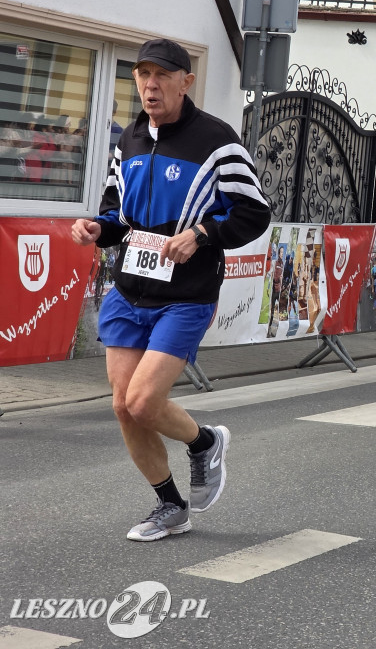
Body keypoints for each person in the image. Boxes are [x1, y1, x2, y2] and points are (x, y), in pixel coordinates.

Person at [70, 38, 271, 542]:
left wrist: (202, 234)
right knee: (122, 405)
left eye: (162, 76)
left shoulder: (217, 140)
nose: (150, 85)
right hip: (129, 290)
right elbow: (118, 213)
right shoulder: (130, 139)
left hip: (186, 295)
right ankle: (170, 505)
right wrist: (98, 228)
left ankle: (204, 443)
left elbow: (254, 211)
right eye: (142, 75)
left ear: (187, 81)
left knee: (142, 402)